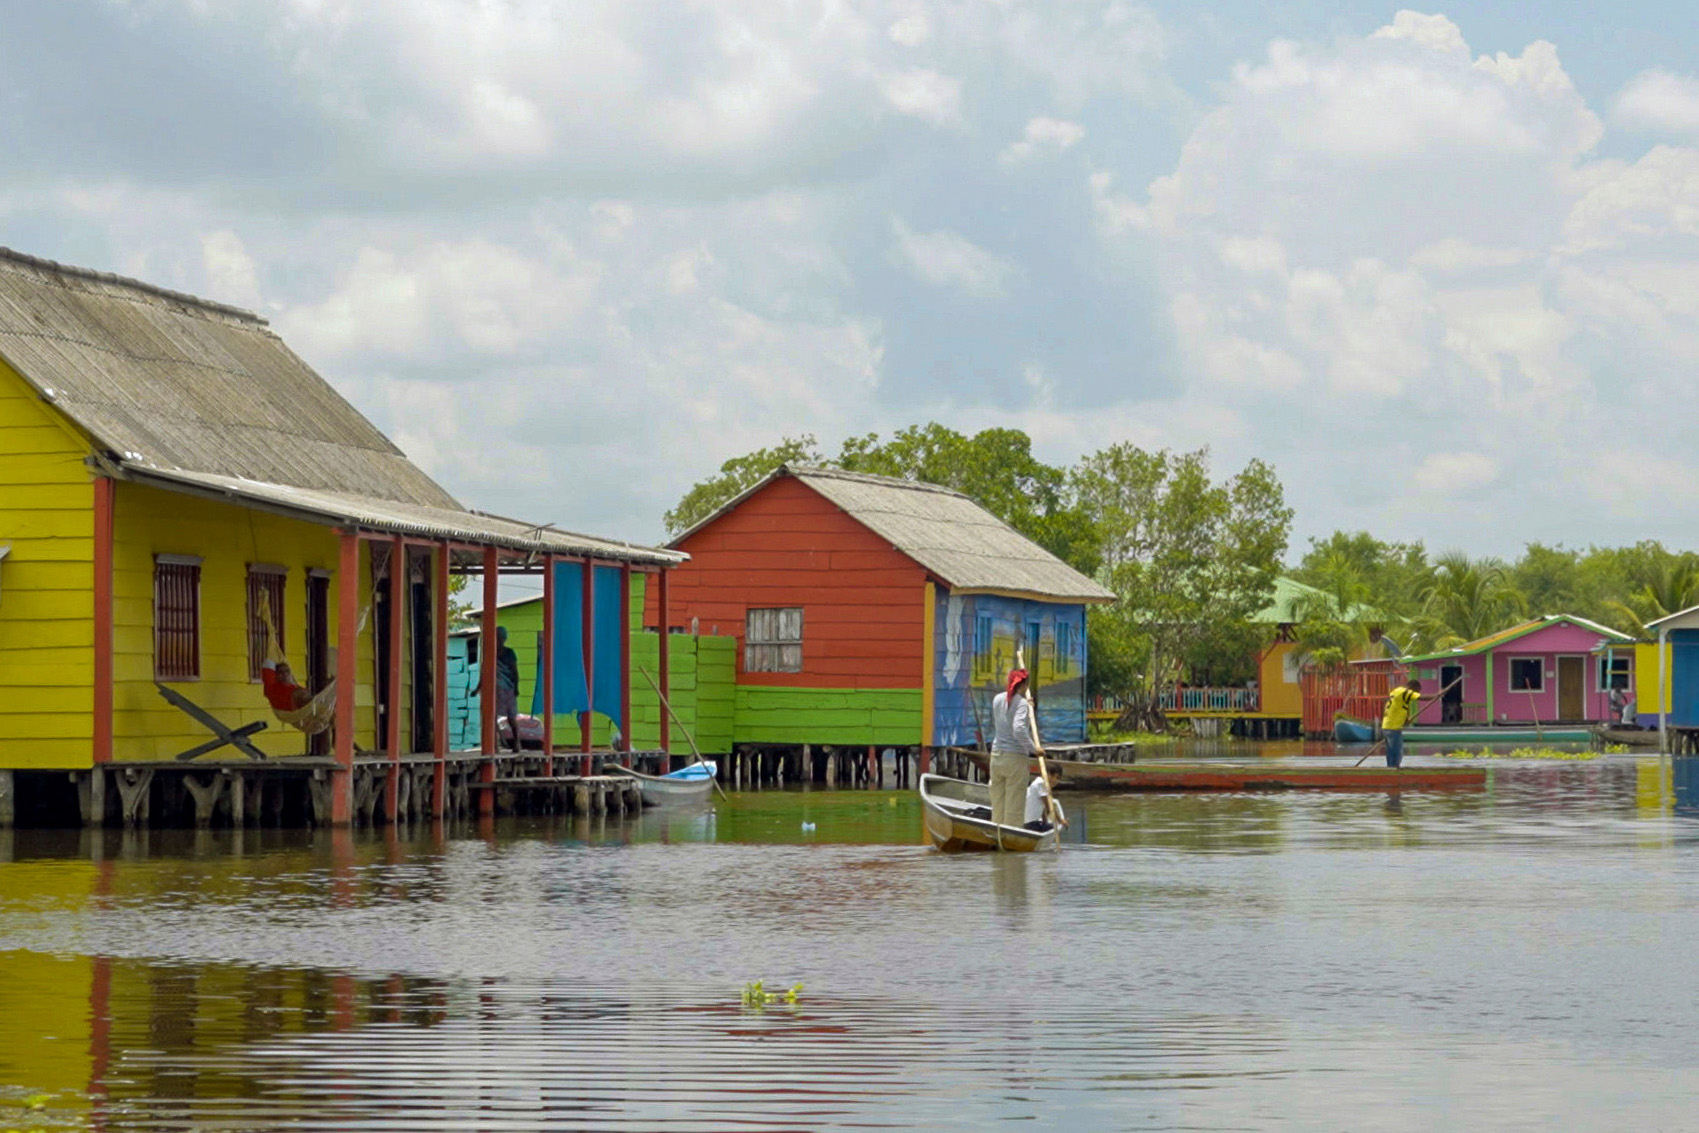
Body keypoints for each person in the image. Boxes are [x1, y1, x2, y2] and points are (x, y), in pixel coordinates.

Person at [990, 668, 1038, 827]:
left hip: (996, 757)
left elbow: (1008, 717)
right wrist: (1034, 749)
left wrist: (1028, 707)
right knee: (1014, 807)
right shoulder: (1022, 704)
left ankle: (996, 838)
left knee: (998, 805)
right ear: (1024, 685)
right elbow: (1018, 729)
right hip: (1015, 759)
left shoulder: (997, 699)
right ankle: (1011, 845)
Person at [1380, 678, 1423, 769]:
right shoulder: (1405, 692)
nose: (1416, 693)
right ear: (1413, 687)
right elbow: (1421, 697)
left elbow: (1400, 707)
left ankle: (1390, 769)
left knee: (1391, 751)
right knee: (1396, 752)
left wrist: (1406, 719)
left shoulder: (1396, 691)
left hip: (1386, 726)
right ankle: (1394, 770)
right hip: (1393, 728)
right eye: (1417, 691)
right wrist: (1437, 695)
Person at [495, 625, 521, 753]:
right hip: (494, 690)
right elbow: (486, 672)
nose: (497, 641)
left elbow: (514, 672)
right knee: (491, 717)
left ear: (504, 639)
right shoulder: (490, 652)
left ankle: (517, 743)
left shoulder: (509, 653)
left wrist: (516, 687)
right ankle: (496, 744)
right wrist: (478, 688)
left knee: (511, 718)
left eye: (499, 638)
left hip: (508, 688)